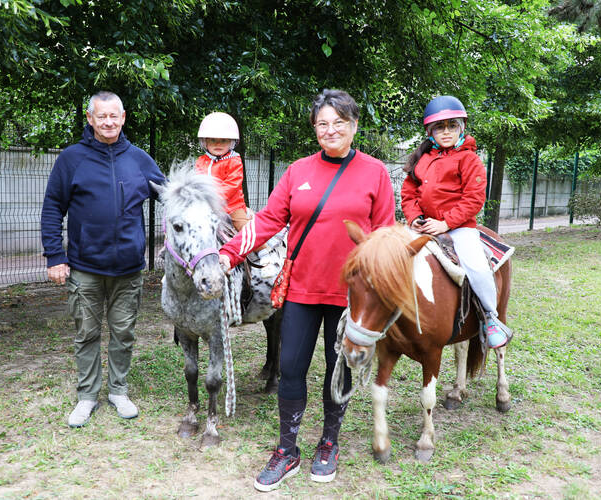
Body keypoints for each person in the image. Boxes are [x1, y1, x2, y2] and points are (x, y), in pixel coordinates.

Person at [218, 89, 395, 491]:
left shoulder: (375, 173)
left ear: (353, 126)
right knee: (292, 367)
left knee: (339, 369)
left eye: (339, 122)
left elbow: (385, 233)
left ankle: (329, 443)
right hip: (301, 289)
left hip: (351, 297)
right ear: (314, 128)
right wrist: (228, 254)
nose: (330, 130)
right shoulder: (298, 171)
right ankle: (287, 449)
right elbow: (268, 220)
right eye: (322, 123)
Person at [41, 91, 166, 428]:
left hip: (129, 268)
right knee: (86, 333)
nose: (108, 122)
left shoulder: (140, 159)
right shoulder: (72, 159)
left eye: (114, 116)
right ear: (90, 119)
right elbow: (52, 207)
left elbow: (171, 196)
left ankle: (118, 391)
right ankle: (87, 396)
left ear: (123, 118)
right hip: (85, 267)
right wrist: (55, 256)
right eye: (102, 116)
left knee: (124, 332)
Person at [400, 95, 512, 349]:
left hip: (459, 229)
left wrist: (445, 223)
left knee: (478, 267)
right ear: (430, 132)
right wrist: (414, 218)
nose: (446, 131)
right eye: (439, 127)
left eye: (452, 125)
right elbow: (408, 194)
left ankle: (490, 318)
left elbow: (474, 199)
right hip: (424, 225)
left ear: (461, 128)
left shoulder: (469, 159)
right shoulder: (422, 159)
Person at [195, 112, 279, 272]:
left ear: (232, 143)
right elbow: (197, 181)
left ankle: (264, 253)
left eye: (223, 140)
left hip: (231, 207)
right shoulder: (201, 161)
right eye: (212, 140)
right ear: (205, 142)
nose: (218, 144)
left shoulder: (234, 160)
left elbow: (232, 185)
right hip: (206, 207)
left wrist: (212, 197)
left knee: (244, 227)